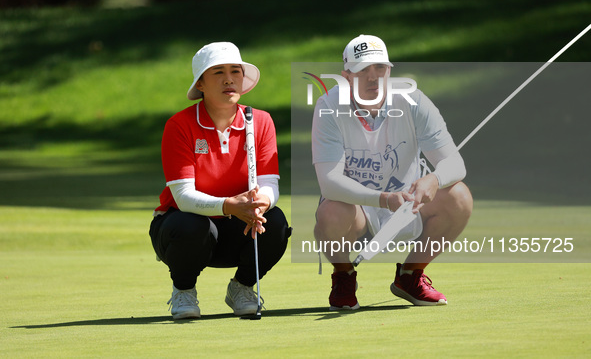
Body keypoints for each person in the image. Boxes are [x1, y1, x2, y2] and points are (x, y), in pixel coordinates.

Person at [311, 35, 473, 310]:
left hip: (409, 206)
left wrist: (434, 179)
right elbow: (330, 183)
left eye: (380, 68)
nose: (373, 77)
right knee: (331, 212)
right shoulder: (328, 107)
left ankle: (410, 277)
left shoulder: (414, 101)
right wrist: (384, 198)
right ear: (346, 77)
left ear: (389, 71)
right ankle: (343, 276)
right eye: (363, 70)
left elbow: (455, 165)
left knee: (459, 196)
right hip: (358, 211)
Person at [150, 42, 291, 319]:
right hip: (186, 231)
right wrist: (229, 205)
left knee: (275, 221)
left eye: (235, 71)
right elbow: (183, 197)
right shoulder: (180, 125)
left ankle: (242, 287)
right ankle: (184, 290)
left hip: (238, 231)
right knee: (190, 224)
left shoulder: (260, 121)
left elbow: (270, 184)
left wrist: (261, 204)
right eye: (218, 72)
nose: (229, 79)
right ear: (200, 83)